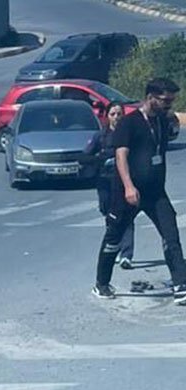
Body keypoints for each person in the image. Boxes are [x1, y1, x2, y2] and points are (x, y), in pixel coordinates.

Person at [93, 77, 186, 305]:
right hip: (129, 193)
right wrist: (128, 187)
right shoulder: (129, 123)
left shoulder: (162, 121)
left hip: (155, 193)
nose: (169, 105)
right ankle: (102, 283)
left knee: (171, 236)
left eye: (171, 101)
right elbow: (121, 156)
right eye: (165, 100)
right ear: (151, 98)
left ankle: (181, 286)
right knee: (113, 238)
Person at [96, 102, 135, 269]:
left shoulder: (129, 134)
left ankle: (126, 255)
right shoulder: (101, 136)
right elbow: (86, 154)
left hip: (123, 183)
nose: (116, 117)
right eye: (113, 114)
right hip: (105, 182)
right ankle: (113, 248)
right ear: (107, 116)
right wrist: (99, 159)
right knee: (110, 217)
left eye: (119, 114)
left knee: (126, 217)